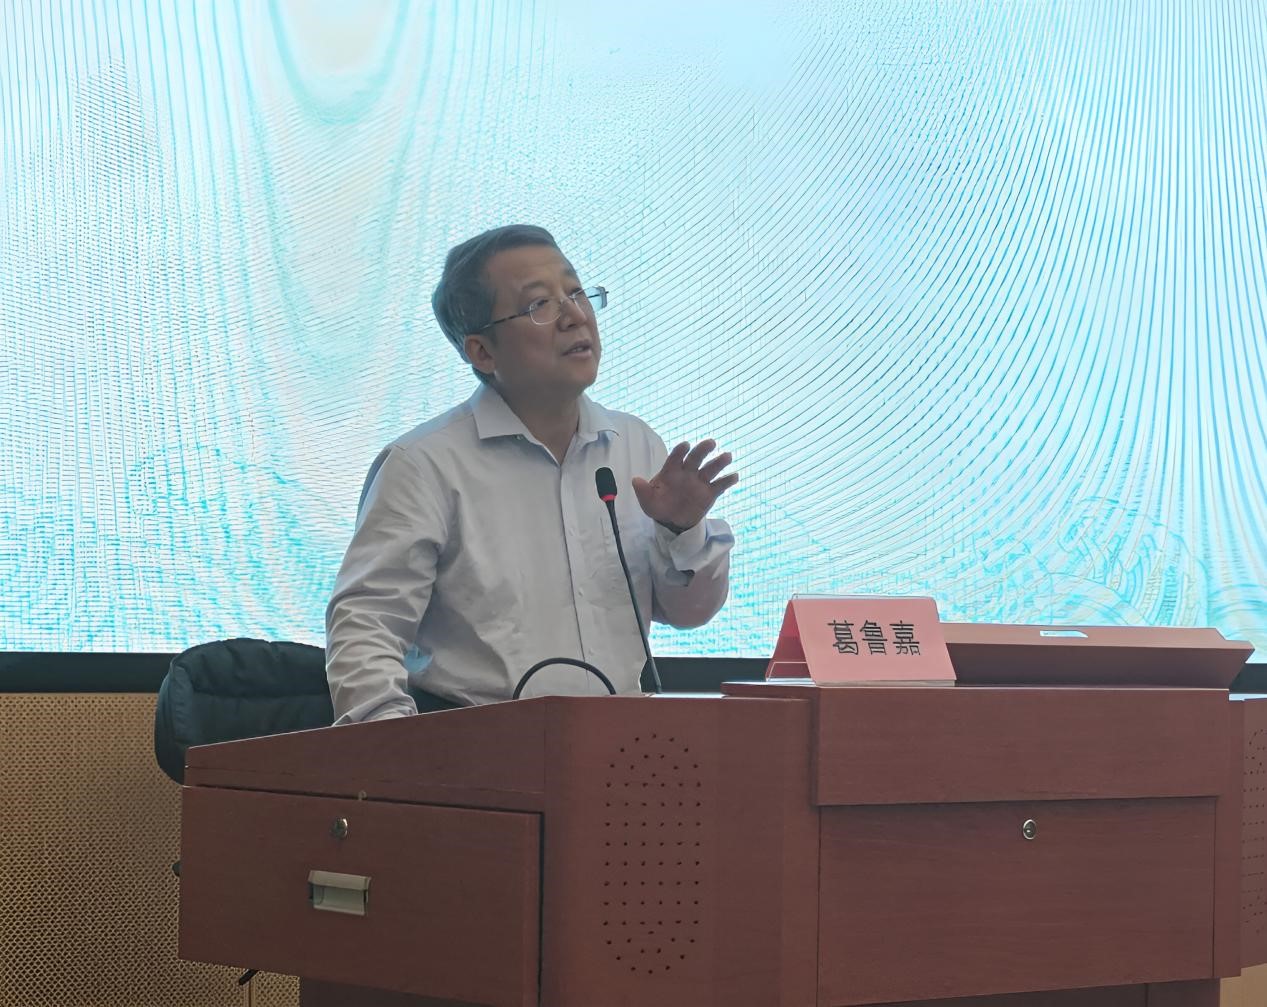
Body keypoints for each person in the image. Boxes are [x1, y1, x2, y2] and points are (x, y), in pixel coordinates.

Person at [324, 225, 737, 723]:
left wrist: (680, 531)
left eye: (577, 292)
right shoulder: (424, 465)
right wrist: (395, 750)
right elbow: (367, 627)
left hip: (620, 745)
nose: (575, 315)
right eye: (539, 304)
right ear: (483, 351)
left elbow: (690, 613)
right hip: (476, 748)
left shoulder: (635, 446)